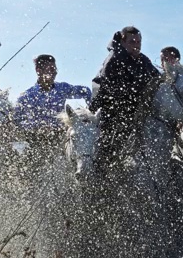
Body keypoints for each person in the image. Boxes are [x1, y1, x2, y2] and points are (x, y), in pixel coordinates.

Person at [89, 26, 160, 173]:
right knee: (110, 144)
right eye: (132, 41)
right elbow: (108, 88)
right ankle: (102, 177)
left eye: (139, 42)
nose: (136, 45)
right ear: (123, 41)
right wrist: (135, 90)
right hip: (109, 111)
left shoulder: (143, 60)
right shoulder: (114, 58)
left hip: (132, 110)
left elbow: (157, 79)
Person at [14, 54, 92, 141]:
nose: (55, 72)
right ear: (38, 71)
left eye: (55, 69)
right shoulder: (26, 96)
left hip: (62, 139)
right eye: (51, 69)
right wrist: (38, 127)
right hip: (36, 142)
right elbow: (17, 121)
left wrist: (91, 112)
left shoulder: (62, 88)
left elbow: (86, 91)